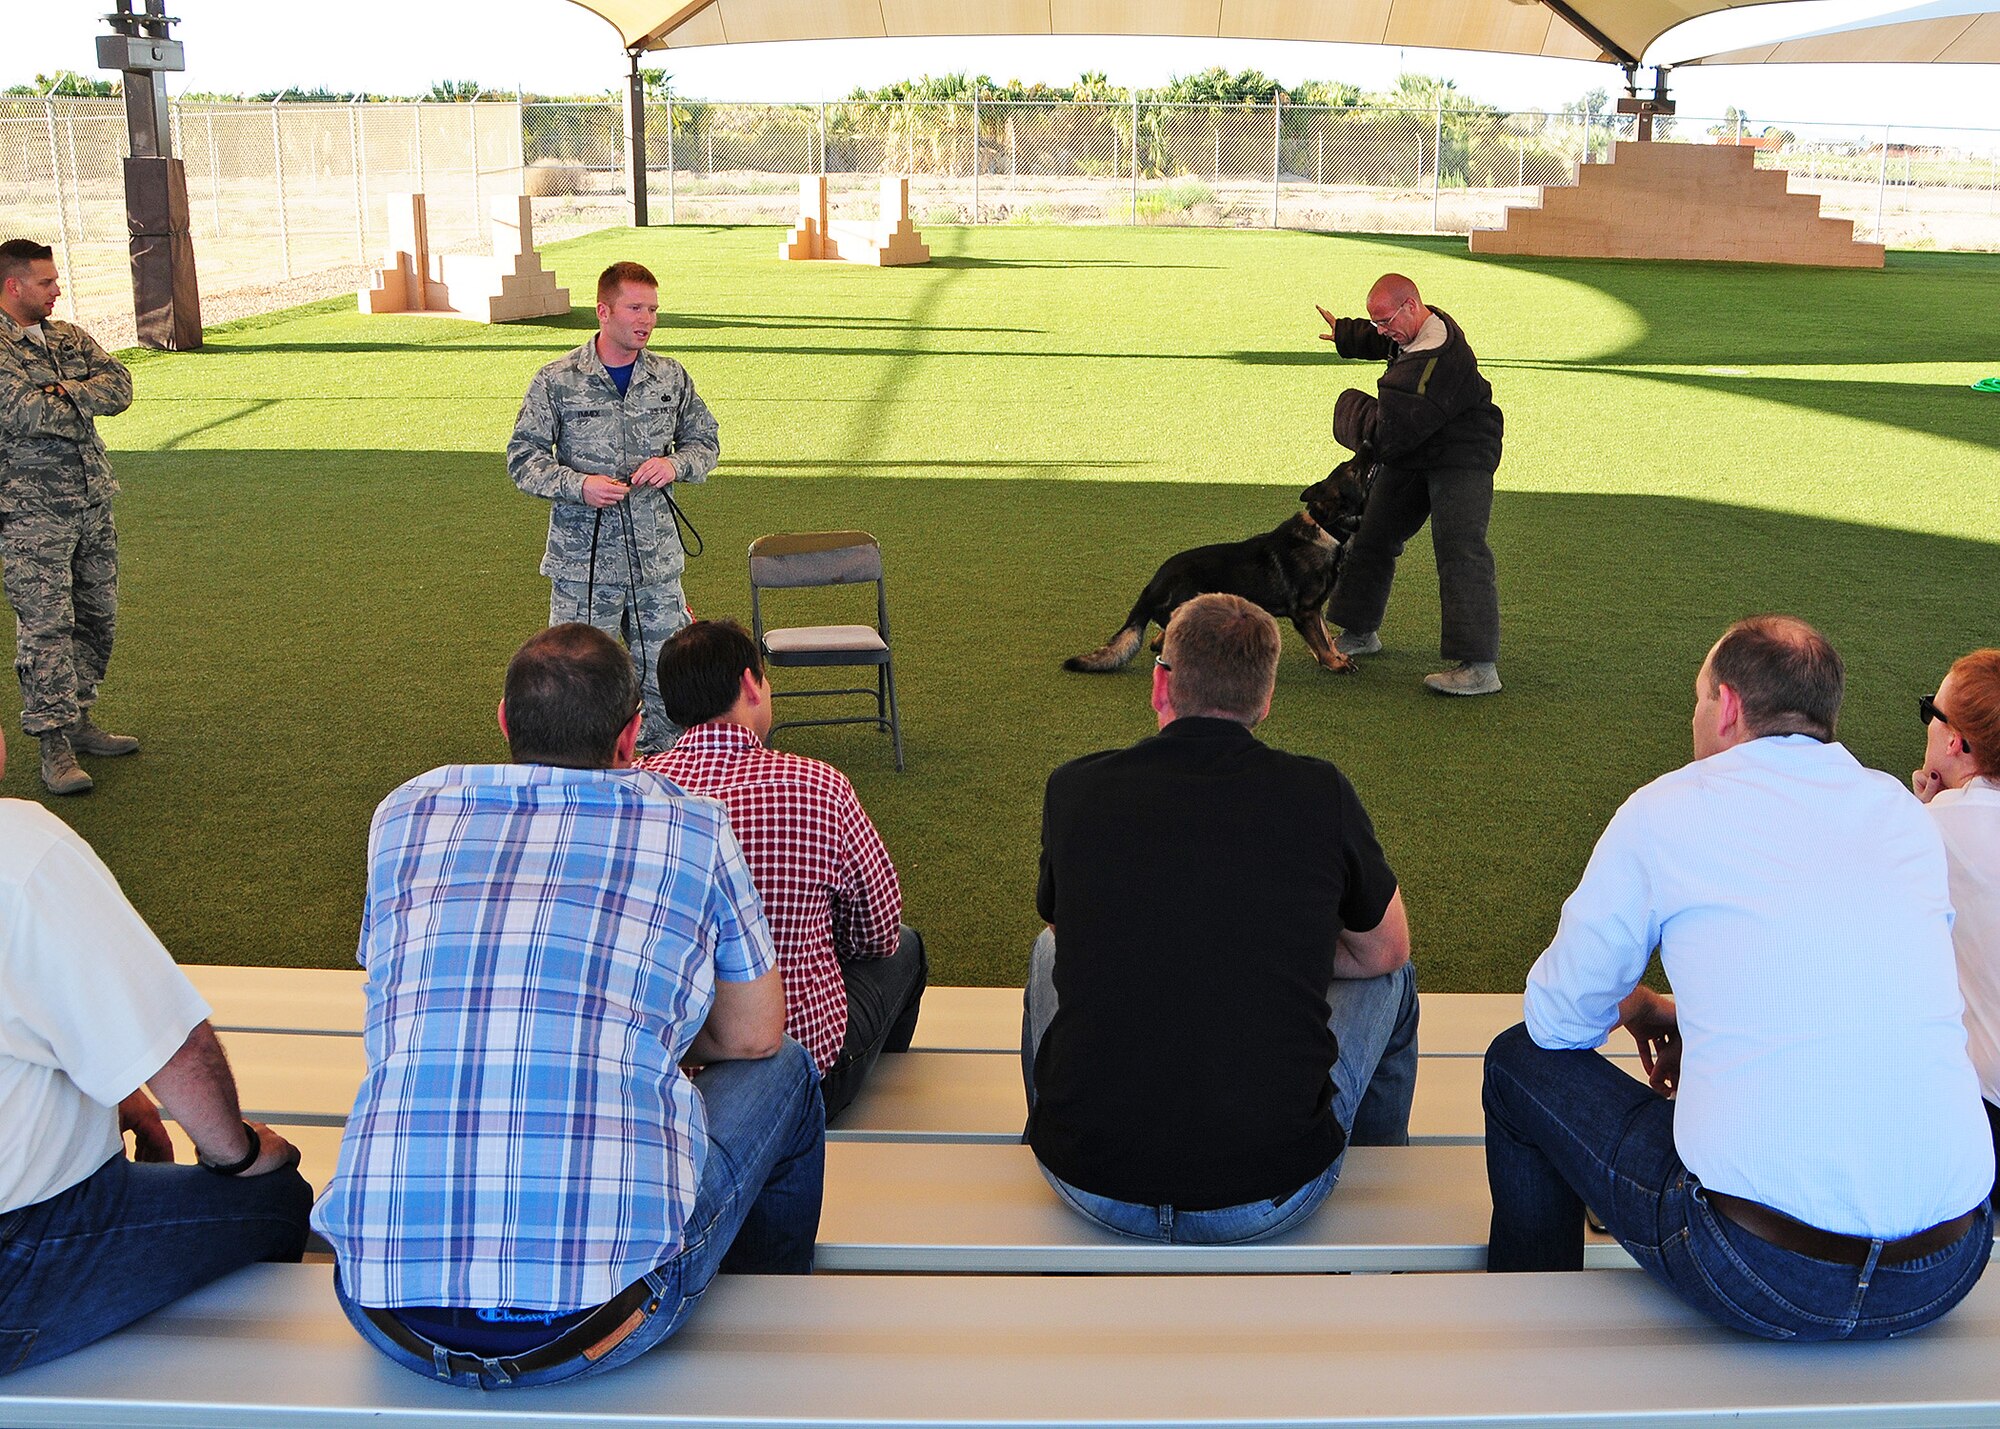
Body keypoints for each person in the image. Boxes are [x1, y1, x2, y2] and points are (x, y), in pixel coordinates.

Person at [313, 623, 823, 1389]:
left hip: (384, 1309)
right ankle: (777, 1335)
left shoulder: (408, 810)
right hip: (605, 1318)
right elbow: (754, 1036)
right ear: (631, 737)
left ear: (504, 721)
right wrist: (641, 1037)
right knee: (786, 1068)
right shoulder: (690, 822)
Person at [1484, 615, 1993, 1339]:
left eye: (1697, 700)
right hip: (1946, 1266)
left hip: (1759, 1269)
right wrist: (1688, 1020)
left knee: (1516, 1061)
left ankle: (1528, 1335)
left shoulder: (1666, 809)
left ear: (1725, 705)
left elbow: (1557, 1019)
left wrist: (1630, 1004)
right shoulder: (1904, 814)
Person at [1024, 592, 1418, 1243]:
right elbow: (1385, 951)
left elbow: (1070, 930)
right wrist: (1277, 946)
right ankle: (1383, 1187)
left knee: (1048, 949)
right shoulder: (1320, 792)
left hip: (1087, 1181)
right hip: (1270, 1193)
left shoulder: (1075, 787)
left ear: (1160, 684)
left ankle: (1054, 1123)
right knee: (1392, 977)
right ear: (1266, 699)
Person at [0, 730, 311, 1375]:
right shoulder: (19, 848)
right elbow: (178, 1049)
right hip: (19, 1259)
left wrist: (119, 1093)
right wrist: (240, 1156)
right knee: (278, 1197)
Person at [644, 618, 927, 1119]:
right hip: (799, 1075)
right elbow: (877, 933)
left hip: (665, 1072)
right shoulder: (818, 786)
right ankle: (892, 1111)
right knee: (905, 946)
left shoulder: (635, 792)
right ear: (750, 684)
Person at [506, 261, 719, 753]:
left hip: (654, 563)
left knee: (668, 676)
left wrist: (675, 465)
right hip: (585, 566)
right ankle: (580, 773)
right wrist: (579, 485)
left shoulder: (670, 376)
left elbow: (705, 441)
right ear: (603, 311)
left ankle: (666, 769)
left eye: (653, 310)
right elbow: (522, 458)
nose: (646, 320)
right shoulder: (557, 380)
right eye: (635, 308)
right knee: (574, 684)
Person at [1315, 272, 1504, 696]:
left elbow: (1386, 435)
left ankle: (1480, 668)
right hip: (1418, 445)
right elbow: (1388, 341)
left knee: (1461, 549)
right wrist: (1349, 334)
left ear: (1412, 307)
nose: (1382, 331)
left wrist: (1348, 411)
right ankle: (1359, 631)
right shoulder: (1418, 327)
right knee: (1372, 533)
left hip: (1463, 454)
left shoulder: (1432, 362)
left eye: (1384, 321)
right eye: (1376, 322)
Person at [0, 238, 141, 795]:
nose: (57, 289)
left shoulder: (67, 336)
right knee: (46, 627)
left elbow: (122, 387)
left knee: (98, 616)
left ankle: (79, 717)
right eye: (46, 282)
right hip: (30, 513)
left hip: (91, 502)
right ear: (13, 285)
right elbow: (24, 412)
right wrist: (82, 396)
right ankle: (53, 746)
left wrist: (65, 389)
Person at [1912, 648, 2000, 1204]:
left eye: (1932, 712)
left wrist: (1924, 813)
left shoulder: (1933, 829)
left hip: (1983, 1126)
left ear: (1957, 743)